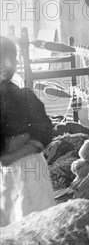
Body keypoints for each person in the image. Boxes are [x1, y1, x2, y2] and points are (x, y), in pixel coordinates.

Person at [0, 36, 55, 227]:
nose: (6, 64)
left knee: (34, 221)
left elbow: (44, 129)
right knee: (9, 224)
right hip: (5, 172)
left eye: (11, 58)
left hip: (29, 168)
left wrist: (15, 151)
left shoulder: (25, 95)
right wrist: (20, 139)